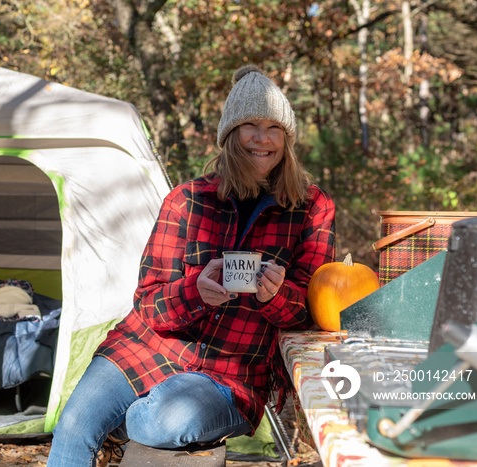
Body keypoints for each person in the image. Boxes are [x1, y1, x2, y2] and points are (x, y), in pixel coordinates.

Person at [46, 64, 336, 467]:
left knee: (158, 421)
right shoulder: (186, 200)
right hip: (146, 346)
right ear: (230, 135)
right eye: (249, 124)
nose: (262, 138)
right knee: (75, 425)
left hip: (232, 373)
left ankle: (120, 427)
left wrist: (276, 296)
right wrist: (194, 292)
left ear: (287, 138)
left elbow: (312, 311)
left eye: (274, 128)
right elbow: (148, 302)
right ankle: (109, 423)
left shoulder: (311, 208)